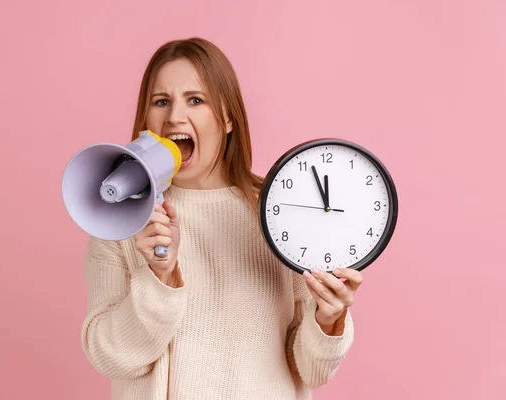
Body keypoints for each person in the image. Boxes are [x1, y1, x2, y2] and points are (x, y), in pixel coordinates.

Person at [80, 37, 363, 400]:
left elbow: (311, 370)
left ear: (228, 117)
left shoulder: (282, 213)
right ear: (146, 118)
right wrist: (159, 276)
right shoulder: (119, 223)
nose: (175, 117)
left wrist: (330, 318)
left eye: (195, 100)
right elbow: (112, 358)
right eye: (161, 101)